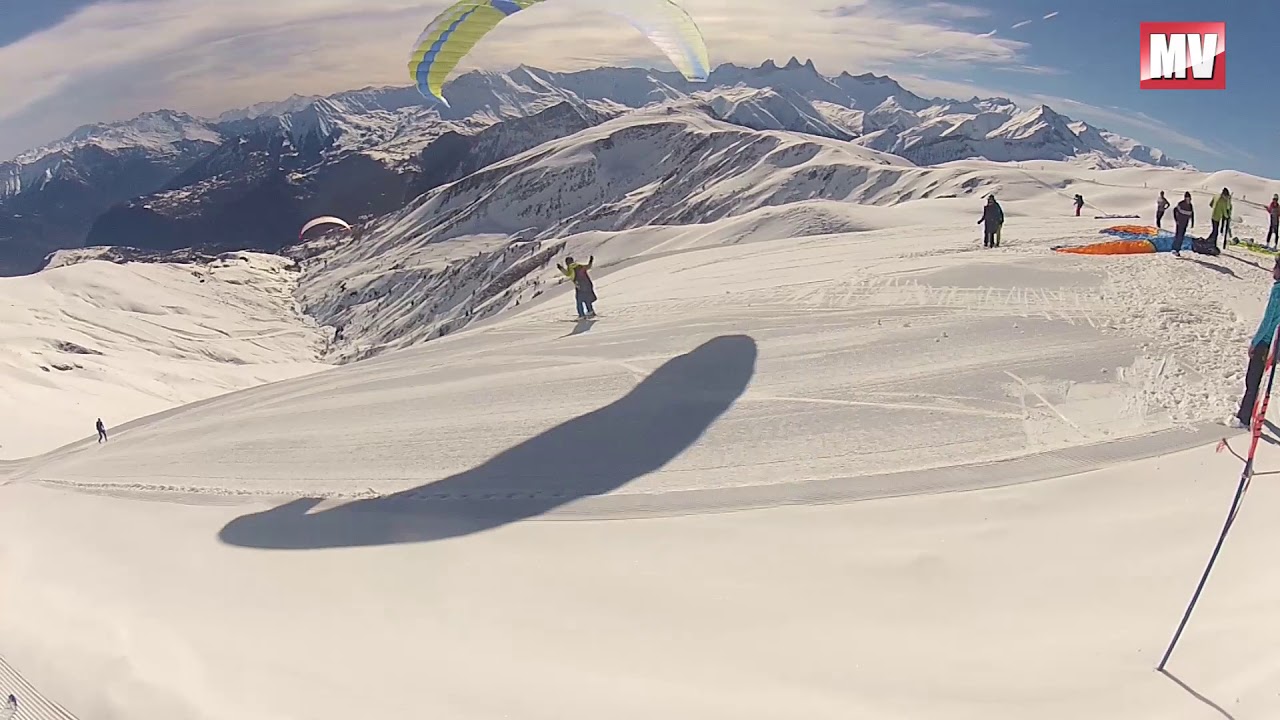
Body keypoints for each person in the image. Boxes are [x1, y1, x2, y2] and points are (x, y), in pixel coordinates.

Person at [1231, 256, 1280, 429]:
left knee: (1253, 380)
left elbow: (1270, 320)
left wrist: (1256, 342)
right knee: (1260, 380)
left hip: (1267, 342)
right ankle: (1249, 409)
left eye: (1276, 266)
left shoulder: (1278, 290)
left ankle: (1244, 418)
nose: (1273, 270)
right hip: (1275, 344)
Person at [1172, 191, 1194, 257]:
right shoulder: (1180, 204)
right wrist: (1176, 220)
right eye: (1187, 198)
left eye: (1189, 198)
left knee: (1181, 236)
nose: (1189, 200)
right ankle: (1175, 249)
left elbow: (1192, 214)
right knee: (1178, 235)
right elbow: (1174, 210)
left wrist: (1192, 222)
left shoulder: (1190, 205)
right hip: (1180, 222)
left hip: (1185, 223)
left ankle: (1176, 249)